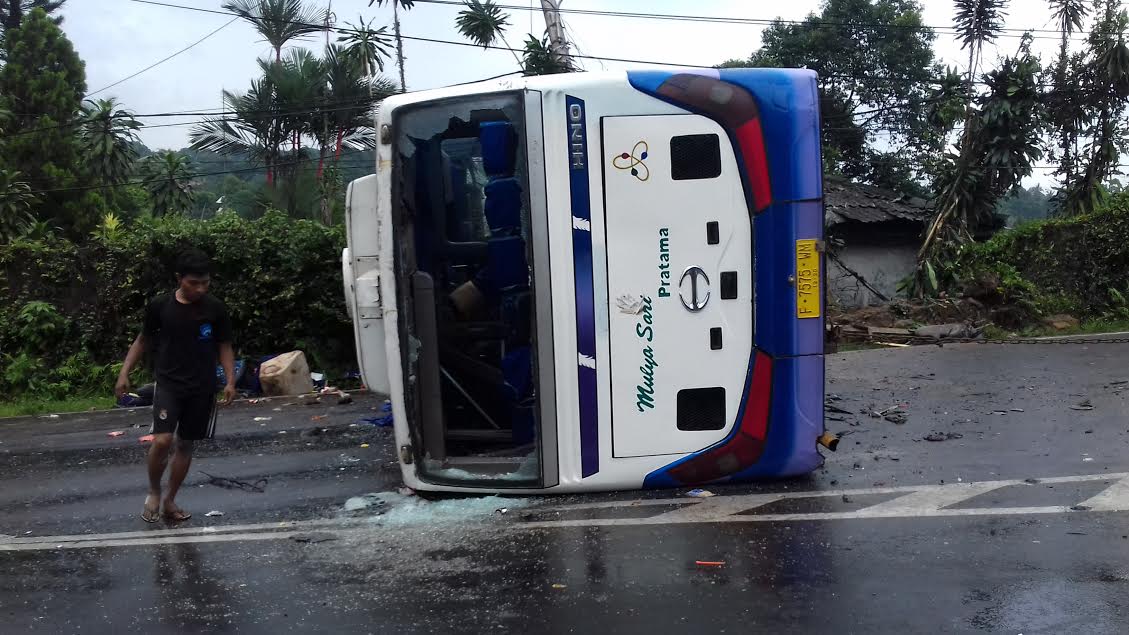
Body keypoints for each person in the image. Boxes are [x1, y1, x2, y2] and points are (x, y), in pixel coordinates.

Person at [115, 249, 236, 523]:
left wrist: (230, 380)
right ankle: (154, 491)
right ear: (179, 279)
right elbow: (143, 340)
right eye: (194, 283)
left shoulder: (215, 308)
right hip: (169, 383)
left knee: (185, 445)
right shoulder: (160, 306)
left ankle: (170, 499)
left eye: (205, 282)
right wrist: (124, 374)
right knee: (162, 440)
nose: (201, 289)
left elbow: (225, 346)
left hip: (202, 387)